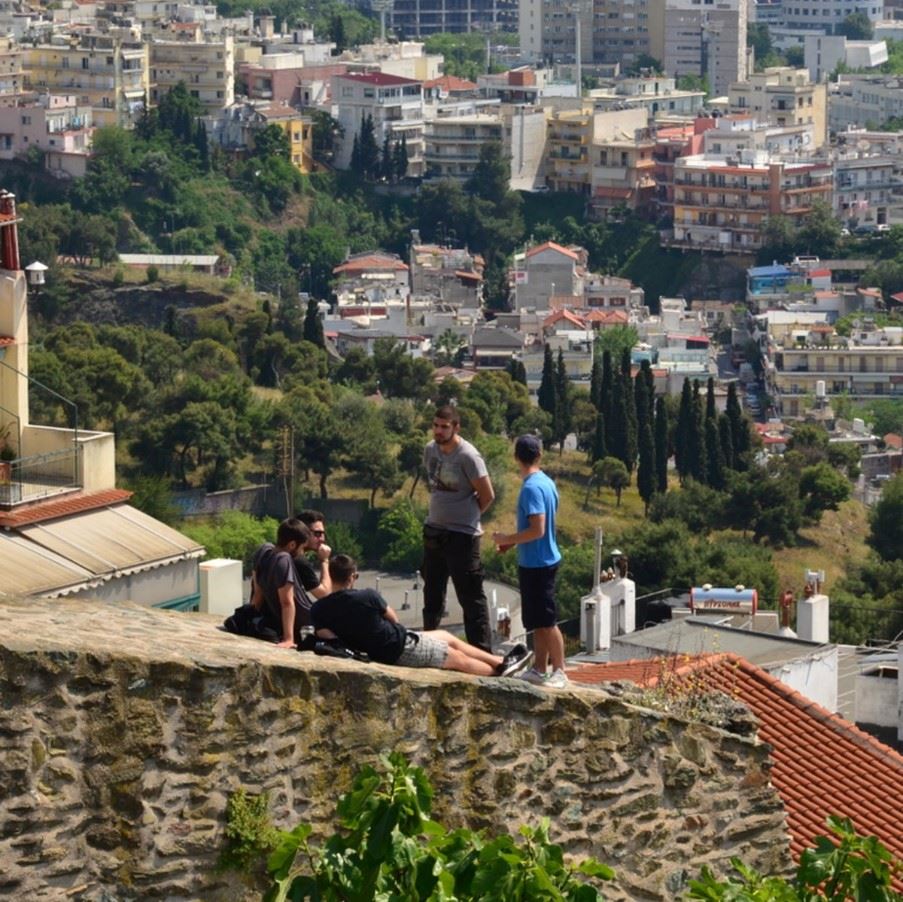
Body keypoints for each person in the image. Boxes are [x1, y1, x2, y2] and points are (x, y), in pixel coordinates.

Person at [311, 555, 532, 677]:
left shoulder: (319, 610)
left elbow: (331, 639)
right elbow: (393, 619)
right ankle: (498, 675)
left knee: (446, 636)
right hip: (397, 647)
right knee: (455, 657)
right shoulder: (368, 596)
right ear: (353, 576)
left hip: (384, 647)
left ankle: (502, 661)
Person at [493, 435, 568, 689]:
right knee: (536, 620)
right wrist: (511, 543)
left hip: (539, 562)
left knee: (547, 621)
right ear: (540, 455)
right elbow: (539, 528)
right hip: (539, 559)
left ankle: (559, 671)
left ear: (516, 457)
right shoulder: (547, 483)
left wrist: (506, 537)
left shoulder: (530, 488)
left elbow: (537, 529)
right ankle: (539, 668)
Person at [422, 404, 495, 652]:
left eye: (444, 427)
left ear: (456, 427)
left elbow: (487, 495)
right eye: (436, 426)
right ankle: (428, 647)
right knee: (432, 593)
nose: (439, 431)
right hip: (434, 530)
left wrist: (469, 515)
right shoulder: (430, 450)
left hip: (462, 536)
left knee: (471, 598)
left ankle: (483, 654)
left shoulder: (468, 456)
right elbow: (433, 483)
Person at [251, 518, 320, 648]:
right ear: (292, 545)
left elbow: (257, 592)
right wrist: (289, 639)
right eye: (302, 548)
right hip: (307, 621)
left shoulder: (264, 552)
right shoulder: (284, 559)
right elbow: (287, 602)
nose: (301, 553)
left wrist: (250, 618)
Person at [294, 508, 332, 601]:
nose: (322, 539)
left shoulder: (287, 554)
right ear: (304, 532)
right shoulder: (299, 560)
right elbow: (325, 595)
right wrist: (324, 560)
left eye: (323, 534)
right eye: (318, 534)